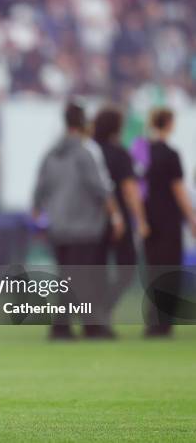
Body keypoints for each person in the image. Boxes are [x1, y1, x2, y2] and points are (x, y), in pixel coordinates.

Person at [33, 102, 125, 340]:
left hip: (58, 225)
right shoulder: (84, 153)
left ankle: (64, 325)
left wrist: (38, 214)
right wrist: (115, 216)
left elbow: (40, 189)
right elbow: (100, 188)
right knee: (83, 278)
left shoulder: (51, 153)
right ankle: (88, 326)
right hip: (85, 226)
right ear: (82, 123)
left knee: (68, 277)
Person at [92, 106, 149, 327]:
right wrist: (141, 220)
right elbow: (130, 190)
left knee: (96, 271)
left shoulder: (91, 151)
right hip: (119, 221)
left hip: (92, 220)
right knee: (127, 267)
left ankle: (97, 315)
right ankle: (103, 310)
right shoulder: (119, 153)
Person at [141, 108, 196, 337]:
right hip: (169, 220)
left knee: (153, 271)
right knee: (170, 271)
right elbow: (178, 189)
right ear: (168, 123)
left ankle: (152, 321)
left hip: (149, 219)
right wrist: (192, 217)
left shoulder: (142, 153)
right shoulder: (171, 155)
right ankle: (164, 323)